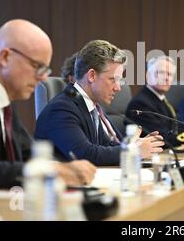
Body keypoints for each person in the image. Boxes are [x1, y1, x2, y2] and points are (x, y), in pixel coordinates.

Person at [0, 19, 96, 202]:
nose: (42, 78)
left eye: (46, 70)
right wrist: (52, 172)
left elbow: (28, 153)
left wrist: (67, 169)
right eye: (37, 66)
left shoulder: (0, 97)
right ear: (5, 57)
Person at [35, 40, 164, 166]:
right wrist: (132, 150)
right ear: (92, 76)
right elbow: (86, 154)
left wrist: (136, 144)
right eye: (113, 79)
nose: (118, 87)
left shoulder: (92, 107)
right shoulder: (61, 109)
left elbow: (106, 146)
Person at [125, 56, 184, 147]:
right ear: (148, 75)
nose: (166, 78)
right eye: (161, 72)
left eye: (170, 74)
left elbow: (180, 128)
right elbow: (162, 138)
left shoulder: (162, 100)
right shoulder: (141, 104)